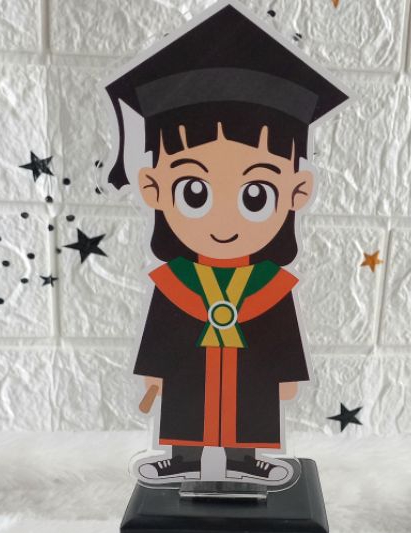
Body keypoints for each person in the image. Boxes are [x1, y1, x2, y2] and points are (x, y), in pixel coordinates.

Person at [103, 0, 350, 484]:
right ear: (152, 188)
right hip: (188, 368)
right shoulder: (174, 282)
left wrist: (286, 375)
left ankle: (243, 458)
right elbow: (161, 330)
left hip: (252, 372)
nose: (223, 220)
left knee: (251, 403)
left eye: (256, 195)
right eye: (194, 192)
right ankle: (183, 458)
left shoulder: (270, 287)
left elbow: (282, 333)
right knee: (185, 400)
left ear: (297, 192)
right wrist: (153, 372)